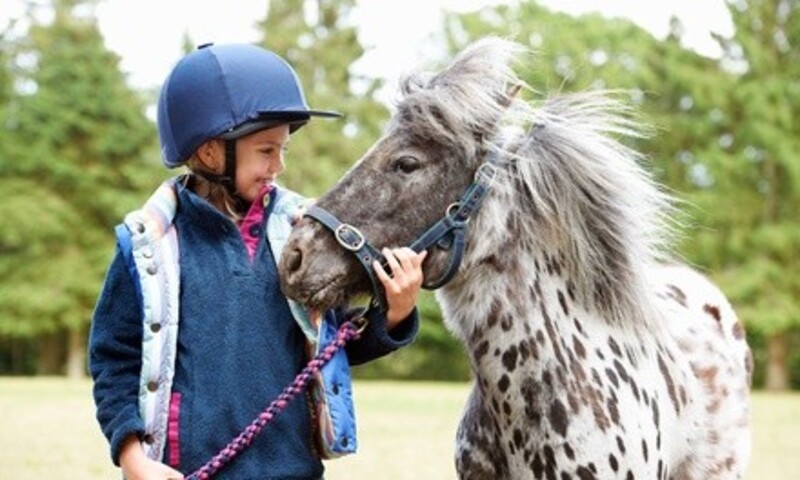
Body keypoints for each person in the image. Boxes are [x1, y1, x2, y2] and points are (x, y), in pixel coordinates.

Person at [88, 43, 427, 480]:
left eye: (283, 150)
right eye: (267, 151)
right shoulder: (147, 247)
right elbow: (113, 362)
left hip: (294, 472)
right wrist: (134, 459)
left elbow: (333, 348)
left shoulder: (305, 236)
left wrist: (395, 314)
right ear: (211, 152)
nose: (279, 166)